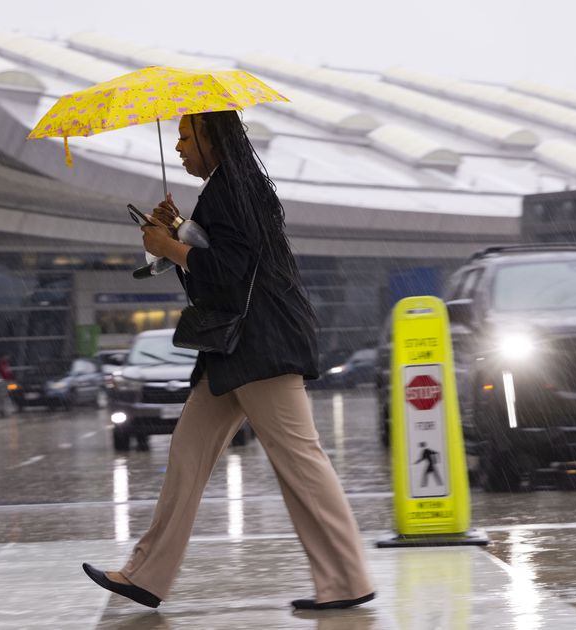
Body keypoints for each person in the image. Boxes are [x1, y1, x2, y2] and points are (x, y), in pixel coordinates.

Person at [82, 111, 375, 611]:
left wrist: (170, 246)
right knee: (186, 457)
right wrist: (177, 232)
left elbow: (230, 273)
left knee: (300, 461)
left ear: (211, 137)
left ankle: (347, 580)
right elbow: (217, 269)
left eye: (185, 136)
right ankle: (145, 575)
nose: (178, 147)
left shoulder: (234, 188)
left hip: (260, 345)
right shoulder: (230, 186)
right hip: (236, 348)